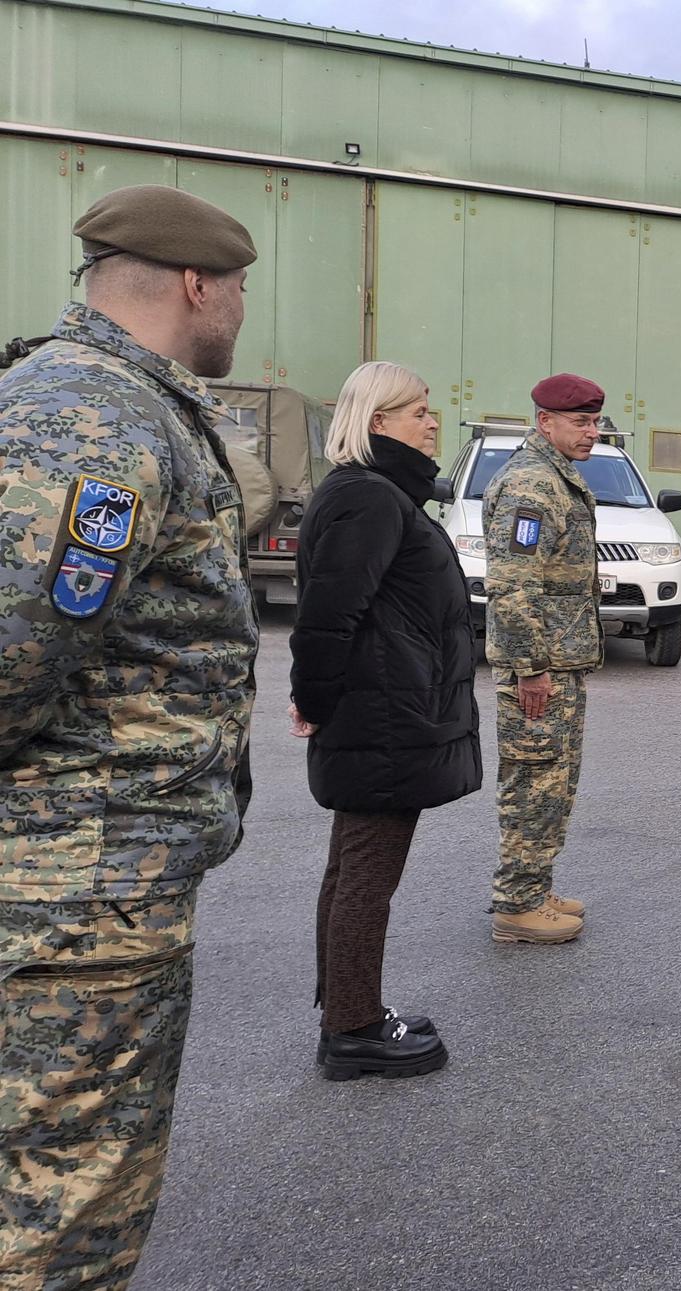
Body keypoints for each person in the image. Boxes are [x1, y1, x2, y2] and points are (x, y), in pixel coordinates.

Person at [0, 185, 258, 1287]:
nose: (239, 310)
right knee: (64, 1210)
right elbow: (13, 652)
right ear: (197, 284)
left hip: (83, 879)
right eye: (237, 289)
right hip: (77, 889)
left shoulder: (88, 397)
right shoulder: (95, 418)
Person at [289, 361, 480, 1080]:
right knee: (367, 874)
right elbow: (326, 617)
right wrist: (313, 700)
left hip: (386, 713)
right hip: (386, 718)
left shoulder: (378, 493)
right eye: (418, 411)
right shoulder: (369, 497)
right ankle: (354, 1029)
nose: (432, 423)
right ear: (378, 422)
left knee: (352, 866)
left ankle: (347, 1009)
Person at [485, 374, 607, 944]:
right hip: (541, 668)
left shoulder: (556, 477)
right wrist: (530, 668)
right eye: (580, 422)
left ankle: (535, 887)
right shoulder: (531, 486)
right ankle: (517, 905)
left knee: (553, 781)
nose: (592, 432)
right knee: (534, 782)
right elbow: (512, 584)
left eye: (595, 422)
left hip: (560, 662)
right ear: (544, 422)